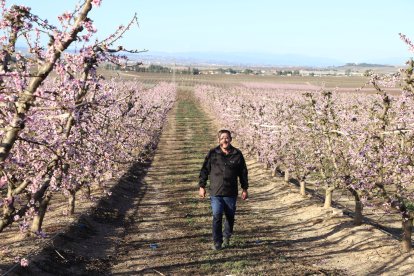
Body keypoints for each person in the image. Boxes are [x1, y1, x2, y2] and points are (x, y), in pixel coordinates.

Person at [199, 129, 248, 250]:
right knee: (217, 215)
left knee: (230, 216)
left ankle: (227, 237)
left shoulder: (237, 154)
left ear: (230, 139)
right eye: (222, 138)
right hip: (216, 191)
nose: (224, 140)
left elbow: (243, 172)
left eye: (227, 138)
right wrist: (202, 186)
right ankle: (217, 241)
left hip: (230, 192)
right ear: (219, 140)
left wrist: (245, 188)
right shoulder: (213, 153)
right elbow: (204, 170)